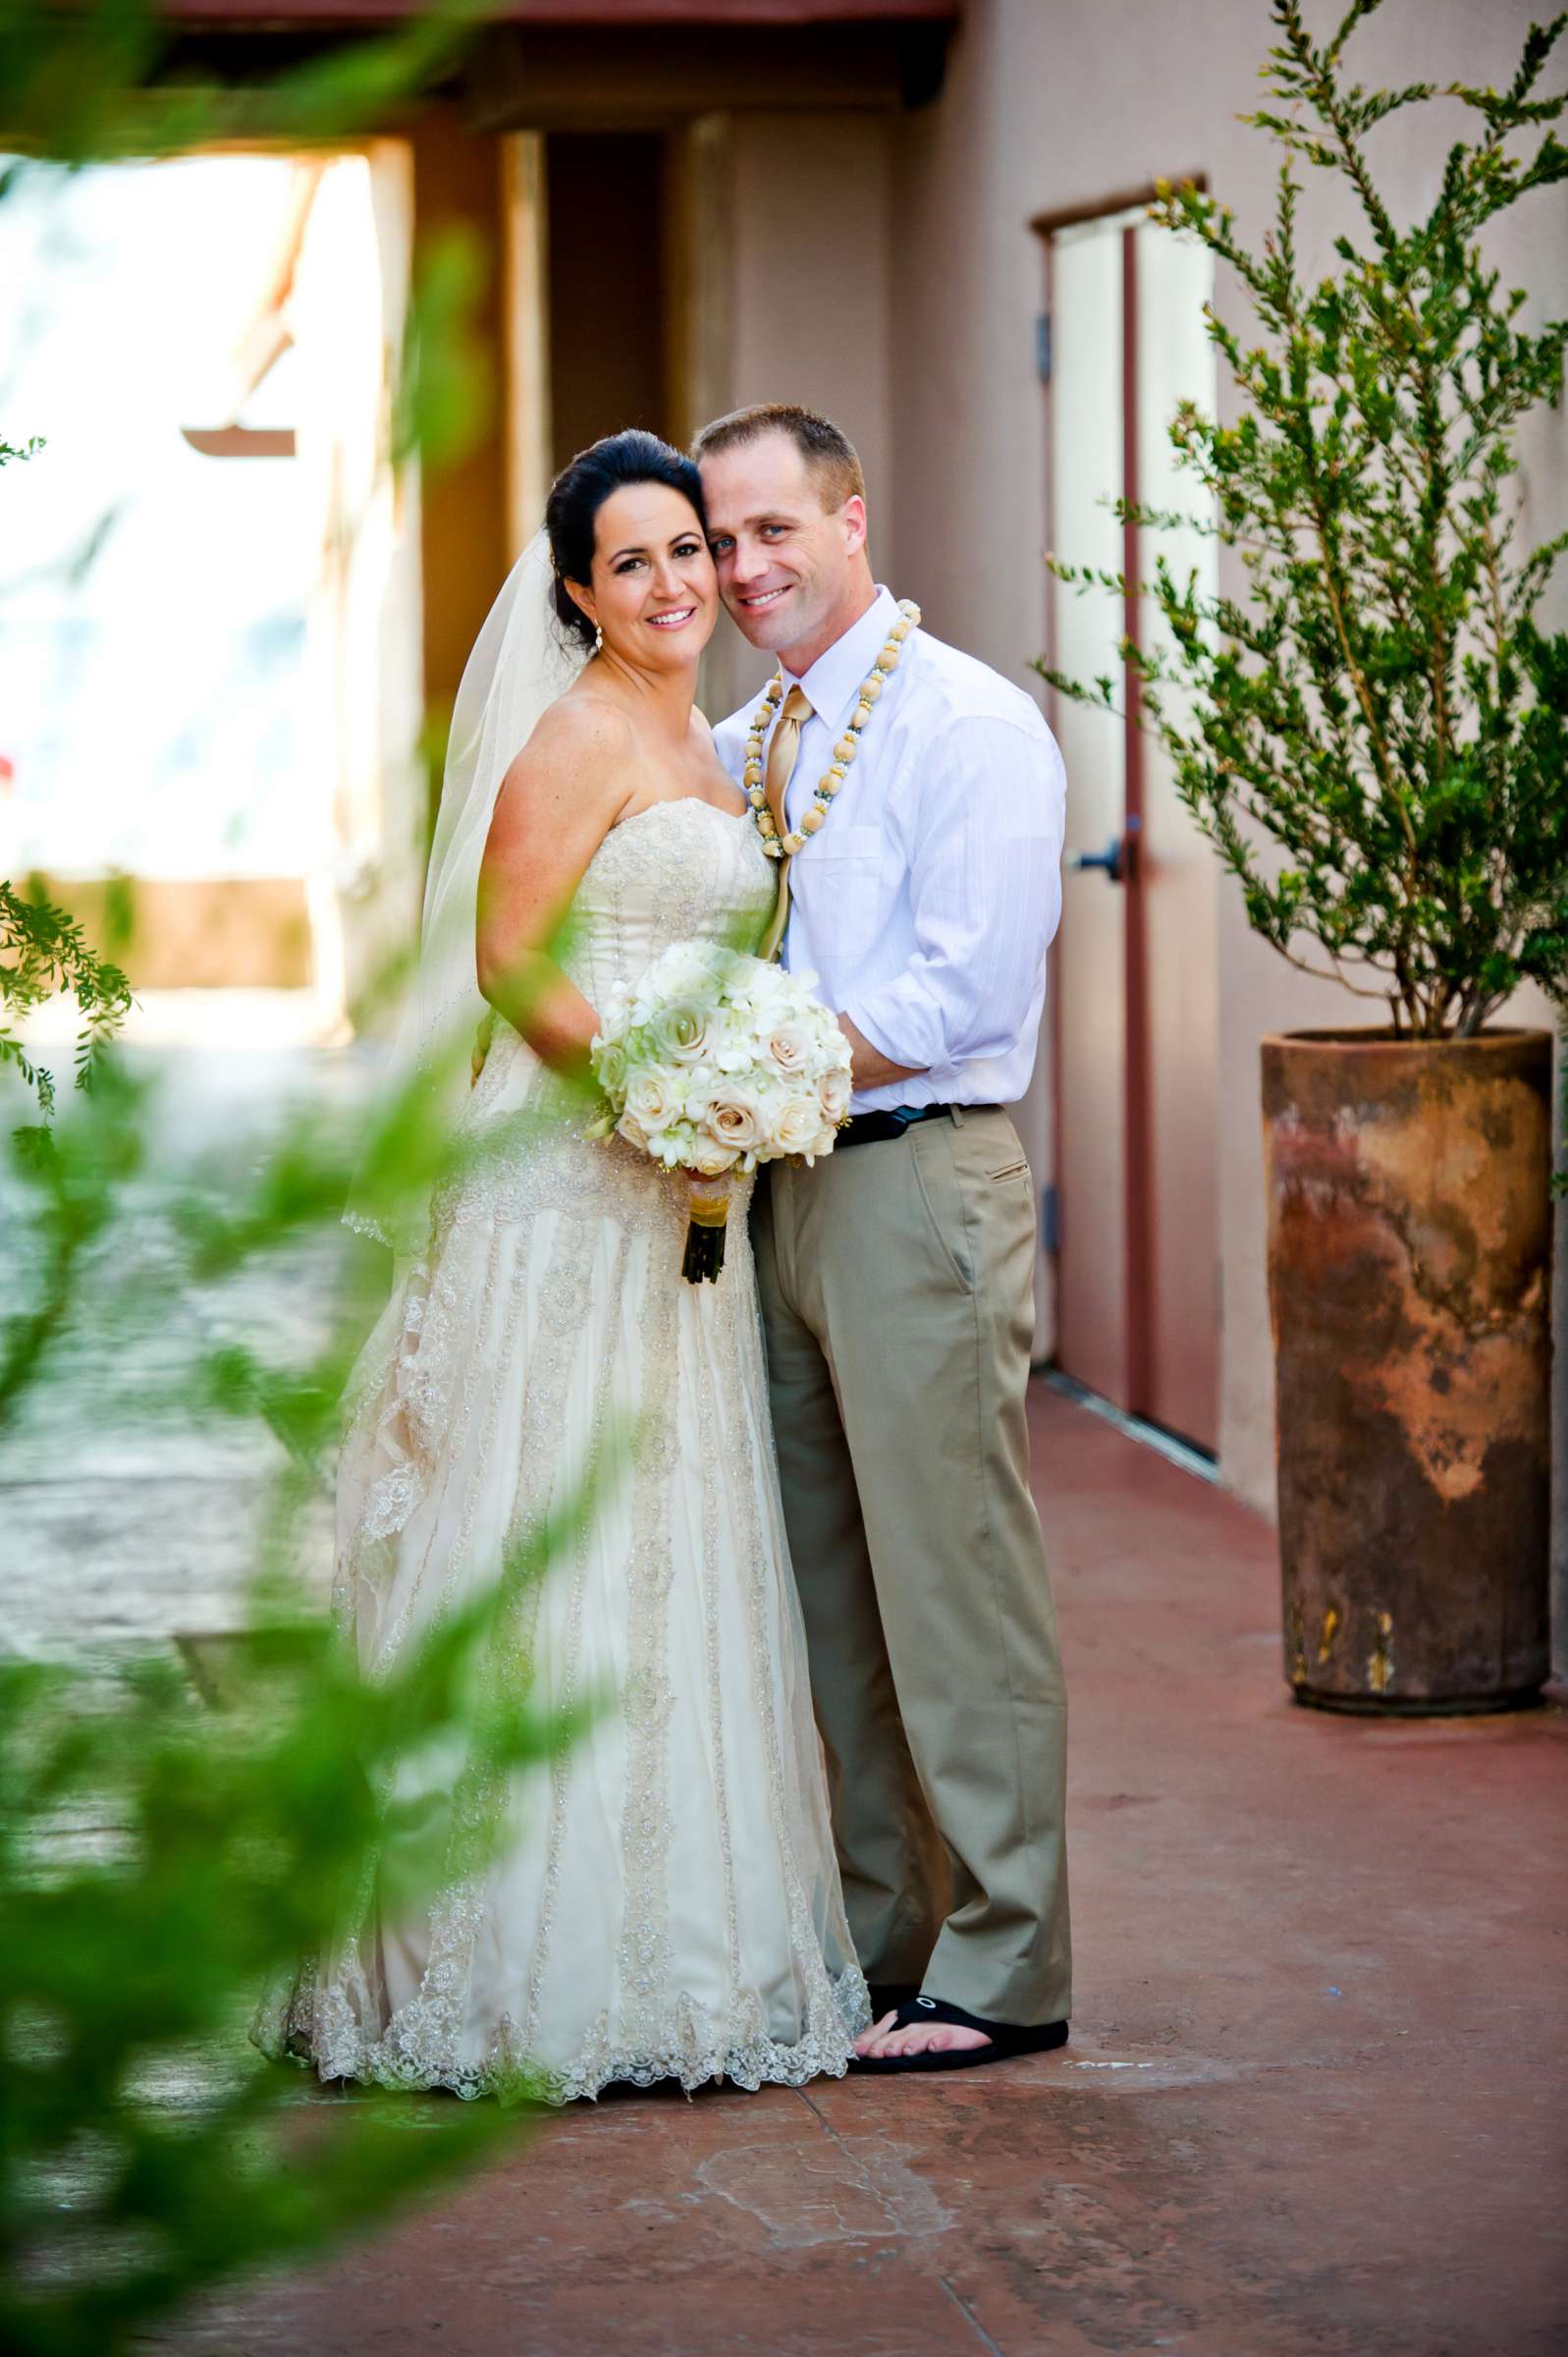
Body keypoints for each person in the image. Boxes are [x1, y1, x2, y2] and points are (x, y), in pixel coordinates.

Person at [254, 430, 868, 2103]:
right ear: (580, 594)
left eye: (689, 551)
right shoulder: (576, 734)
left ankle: (673, 1951)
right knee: (535, 1523)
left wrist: (729, 1094)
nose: (677, 586)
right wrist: (651, 1097)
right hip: (561, 1182)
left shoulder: (706, 737)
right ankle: (504, 1966)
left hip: (682, 1195)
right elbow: (509, 959)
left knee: (670, 1533)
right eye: (634, 564)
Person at [697, 403, 1071, 2072]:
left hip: (915, 1178)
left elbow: (961, 992)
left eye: (773, 529)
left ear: (851, 521)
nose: (743, 566)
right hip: (777, 1190)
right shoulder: (754, 733)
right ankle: (881, 1938)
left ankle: (1006, 1965)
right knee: (831, 1601)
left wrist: (747, 1059)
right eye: (718, 542)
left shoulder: (964, 723)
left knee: (953, 1588)